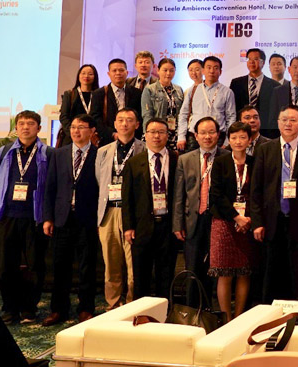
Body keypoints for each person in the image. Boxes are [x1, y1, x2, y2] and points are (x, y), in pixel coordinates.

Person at [250, 105, 298, 301]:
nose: (288, 124)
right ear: (278, 123)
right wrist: (257, 222)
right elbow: (256, 190)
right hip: (271, 221)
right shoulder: (265, 150)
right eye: (284, 120)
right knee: (270, 272)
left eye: (293, 120)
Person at [0, 110, 50, 325]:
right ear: (16, 128)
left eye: (30, 123)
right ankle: (9, 309)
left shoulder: (47, 153)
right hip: (9, 216)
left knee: (35, 265)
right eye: (22, 123)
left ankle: (29, 309)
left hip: (35, 217)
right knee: (8, 264)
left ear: (39, 128)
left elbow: (50, 184)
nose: (26, 127)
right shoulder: (4, 152)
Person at [42, 114, 99, 325]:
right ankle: (59, 310)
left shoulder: (100, 154)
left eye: (81, 127)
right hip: (62, 217)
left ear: (92, 131)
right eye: (73, 127)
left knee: (87, 267)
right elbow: (50, 187)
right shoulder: (59, 153)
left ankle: (86, 308)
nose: (76, 131)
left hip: (88, 218)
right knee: (60, 266)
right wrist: (48, 218)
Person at [122, 118, 178, 298]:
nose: (156, 136)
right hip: (142, 226)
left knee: (166, 274)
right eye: (152, 132)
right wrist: (128, 226)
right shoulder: (134, 163)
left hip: (168, 226)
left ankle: (165, 309)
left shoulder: (177, 160)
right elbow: (127, 198)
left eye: (161, 132)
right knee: (141, 275)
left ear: (167, 135)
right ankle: (142, 311)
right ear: (145, 135)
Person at [208, 122, 258, 322]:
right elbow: (216, 194)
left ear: (250, 139)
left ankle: (239, 317)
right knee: (225, 272)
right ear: (229, 140)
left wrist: (249, 218)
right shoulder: (220, 162)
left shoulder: (255, 162)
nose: (238, 141)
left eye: (242, 137)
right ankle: (226, 319)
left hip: (248, 222)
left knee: (244, 271)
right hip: (224, 222)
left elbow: (259, 192)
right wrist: (236, 217)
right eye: (234, 137)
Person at [95, 108, 142, 309]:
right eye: (120, 120)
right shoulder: (103, 151)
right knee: (111, 263)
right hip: (109, 212)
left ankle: (132, 306)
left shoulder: (144, 149)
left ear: (137, 125)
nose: (124, 124)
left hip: (133, 213)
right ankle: (113, 304)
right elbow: (99, 180)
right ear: (114, 124)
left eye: (129, 120)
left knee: (133, 265)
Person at [173, 117, 223, 293]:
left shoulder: (226, 157)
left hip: (218, 218)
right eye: (203, 133)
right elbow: (179, 195)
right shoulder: (185, 159)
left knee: (216, 266)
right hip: (193, 219)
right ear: (196, 135)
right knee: (192, 267)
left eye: (211, 132)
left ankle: (213, 305)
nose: (207, 136)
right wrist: (177, 224)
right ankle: (192, 305)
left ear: (218, 134)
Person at [177, 56, 236, 151]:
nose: (212, 71)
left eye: (215, 68)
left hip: (218, 137)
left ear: (220, 72)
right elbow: (183, 114)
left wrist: (227, 141)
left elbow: (231, 117)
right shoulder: (193, 90)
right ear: (203, 70)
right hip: (195, 137)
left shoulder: (227, 92)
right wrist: (181, 137)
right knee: (193, 160)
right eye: (209, 67)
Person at [90, 58, 143, 147]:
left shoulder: (136, 93)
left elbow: (139, 116)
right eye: (114, 70)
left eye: (121, 70)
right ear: (109, 74)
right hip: (107, 140)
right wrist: (112, 134)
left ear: (127, 73)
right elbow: (95, 118)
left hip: (132, 139)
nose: (118, 73)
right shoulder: (99, 93)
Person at [230, 48, 278, 138]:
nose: (251, 62)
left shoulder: (274, 85)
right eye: (249, 59)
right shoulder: (236, 83)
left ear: (263, 62)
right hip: (241, 130)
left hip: (265, 132)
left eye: (256, 59)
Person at [141, 58, 184, 151]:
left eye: (171, 70)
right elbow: (147, 115)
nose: (168, 73)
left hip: (175, 133)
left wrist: (181, 134)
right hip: (157, 133)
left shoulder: (179, 89)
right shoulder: (150, 89)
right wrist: (148, 134)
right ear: (158, 70)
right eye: (165, 70)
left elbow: (182, 114)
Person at [58, 64, 99, 146]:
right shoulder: (70, 94)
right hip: (71, 138)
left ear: (95, 77)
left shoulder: (99, 95)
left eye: (90, 74)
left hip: (93, 138)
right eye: (83, 73)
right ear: (78, 76)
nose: (86, 76)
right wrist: (73, 133)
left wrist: (93, 133)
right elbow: (64, 117)